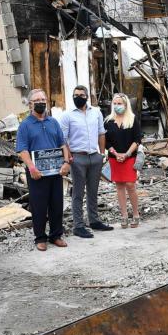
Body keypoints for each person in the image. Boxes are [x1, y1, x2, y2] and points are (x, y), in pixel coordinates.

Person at [16, 88, 72, 251]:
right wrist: (31, 167)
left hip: (55, 171)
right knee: (39, 205)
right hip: (36, 172)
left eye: (43, 100)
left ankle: (56, 235)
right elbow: (22, 149)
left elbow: (62, 144)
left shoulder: (53, 123)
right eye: (37, 101)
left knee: (56, 203)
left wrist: (66, 162)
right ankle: (40, 237)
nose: (41, 103)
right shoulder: (25, 125)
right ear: (30, 104)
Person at [58, 85, 113, 238]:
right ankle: (78, 226)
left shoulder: (96, 112)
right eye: (75, 95)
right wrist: (68, 159)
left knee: (93, 191)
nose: (78, 97)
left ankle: (94, 221)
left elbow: (102, 133)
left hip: (94, 156)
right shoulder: (67, 115)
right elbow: (63, 140)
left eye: (81, 95)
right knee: (78, 193)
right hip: (77, 158)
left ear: (87, 97)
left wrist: (102, 154)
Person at [104, 93, 143, 228]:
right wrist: (115, 153)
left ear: (125, 105)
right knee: (119, 186)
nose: (117, 106)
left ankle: (136, 214)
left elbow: (137, 139)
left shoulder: (132, 119)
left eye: (119, 103)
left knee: (130, 185)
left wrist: (126, 154)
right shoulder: (108, 121)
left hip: (129, 157)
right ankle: (124, 215)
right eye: (115, 103)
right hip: (114, 158)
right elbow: (106, 141)